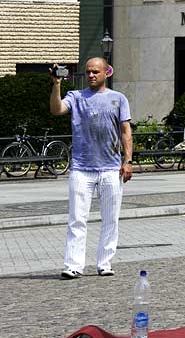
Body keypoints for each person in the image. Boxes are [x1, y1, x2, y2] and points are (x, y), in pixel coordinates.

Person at [49, 57, 133, 279]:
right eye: (88, 72)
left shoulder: (119, 99)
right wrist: (57, 85)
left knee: (110, 218)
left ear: (107, 72)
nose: (91, 75)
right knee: (77, 218)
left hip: (111, 168)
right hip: (81, 168)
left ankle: (104, 262)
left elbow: (126, 131)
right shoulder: (76, 97)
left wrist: (128, 160)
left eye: (96, 71)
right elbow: (57, 109)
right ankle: (73, 265)